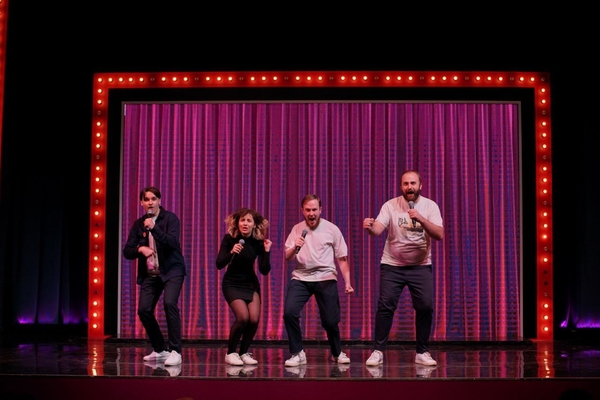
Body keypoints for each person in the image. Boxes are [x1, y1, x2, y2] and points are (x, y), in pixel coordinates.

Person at [363, 170, 443, 367]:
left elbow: (439, 234)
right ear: (401, 186)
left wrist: (421, 218)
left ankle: (422, 352)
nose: (409, 187)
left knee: (425, 307)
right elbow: (377, 230)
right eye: (406, 184)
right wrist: (370, 228)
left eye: (413, 183)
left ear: (420, 185)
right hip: (393, 266)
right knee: (385, 306)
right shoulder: (390, 205)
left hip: (420, 267)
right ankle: (378, 351)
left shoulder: (430, 206)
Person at [283, 194, 354, 367]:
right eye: (308, 210)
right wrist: (295, 246)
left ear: (320, 210)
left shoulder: (331, 229)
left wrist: (347, 282)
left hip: (325, 276)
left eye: (314, 209)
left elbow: (342, 258)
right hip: (301, 277)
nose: (311, 213)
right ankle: (297, 353)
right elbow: (288, 257)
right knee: (289, 312)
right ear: (302, 211)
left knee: (330, 321)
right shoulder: (297, 229)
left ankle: (337, 352)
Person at [123, 186, 186, 366]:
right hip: (151, 273)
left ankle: (175, 351)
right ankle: (160, 349)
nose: (150, 202)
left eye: (153, 199)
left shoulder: (170, 219)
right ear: (142, 203)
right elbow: (127, 251)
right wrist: (140, 249)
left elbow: (172, 243)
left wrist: (154, 228)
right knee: (144, 310)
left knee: (169, 303)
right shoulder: (139, 224)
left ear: (159, 201)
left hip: (172, 270)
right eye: (146, 199)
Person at [216, 208, 272, 366]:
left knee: (253, 319)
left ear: (254, 224)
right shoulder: (229, 239)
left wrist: (266, 251)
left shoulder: (258, 242)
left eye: (249, 221)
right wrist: (231, 252)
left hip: (250, 283)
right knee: (243, 317)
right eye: (242, 220)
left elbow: (264, 270)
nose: (245, 224)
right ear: (237, 223)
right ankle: (230, 353)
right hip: (232, 283)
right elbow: (219, 264)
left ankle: (243, 352)